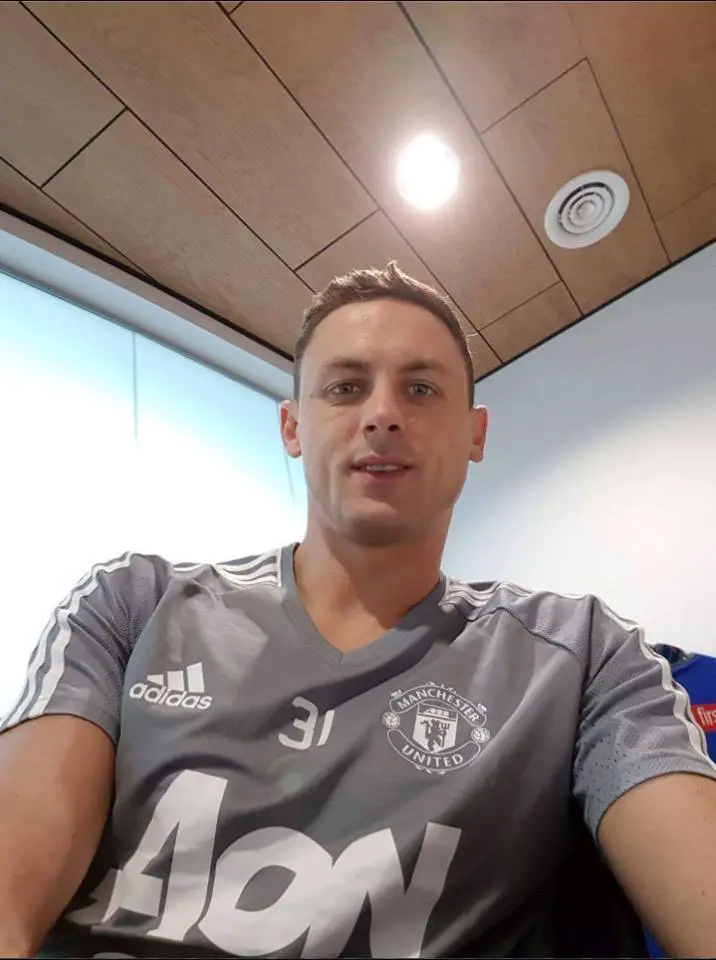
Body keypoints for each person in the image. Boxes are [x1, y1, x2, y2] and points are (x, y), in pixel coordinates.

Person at [0, 262, 715, 959]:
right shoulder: (132, 606)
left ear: (476, 433)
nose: (382, 415)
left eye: (421, 388)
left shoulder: (581, 655)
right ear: (292, 427)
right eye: (345, 387)